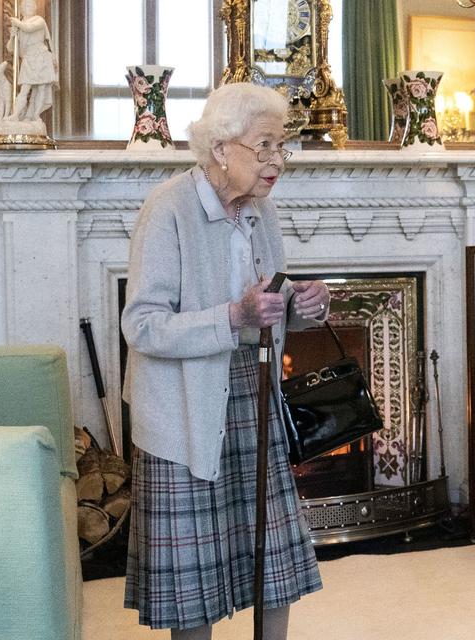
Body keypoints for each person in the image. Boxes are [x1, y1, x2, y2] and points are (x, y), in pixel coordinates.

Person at [122, 82, 331, 640]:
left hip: (252, 389)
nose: (276, 161)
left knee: (276, 558)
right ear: (220, 149)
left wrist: (305, 304)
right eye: (263, 147)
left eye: (281, 147)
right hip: (183, 409)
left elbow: (267, 305)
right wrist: (234, 317)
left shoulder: (263, 211)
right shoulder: (167, 209)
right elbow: (142, 326)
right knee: (195, 578)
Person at [7, 0, 57, 122]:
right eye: (26, 5)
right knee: (25, 88)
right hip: (28, 58)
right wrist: (13, 36)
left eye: (31, 4)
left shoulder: (38, 20)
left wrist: (17, 23)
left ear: (35, 7)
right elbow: (11, 49)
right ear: (22, 8)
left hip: (41, 56)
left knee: (41, 88)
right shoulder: (19, 25)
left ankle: (35, 115)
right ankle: (16, 115)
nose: (29, 7)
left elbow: (29, 28)